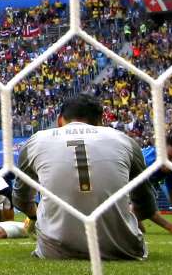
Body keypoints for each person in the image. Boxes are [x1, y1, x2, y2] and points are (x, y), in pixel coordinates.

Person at [13, 94, 157, 260]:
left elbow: (20, 200)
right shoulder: (124, 140)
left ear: (60, 120)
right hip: (122, 250)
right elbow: (146, 206)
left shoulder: (36, 141)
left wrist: (34, 217)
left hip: (55, 251)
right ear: (100, 122)